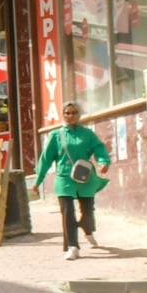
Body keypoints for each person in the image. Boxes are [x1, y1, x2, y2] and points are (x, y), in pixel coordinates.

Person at [32, 101, 111, 258]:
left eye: (74, 112)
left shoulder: (88, 134)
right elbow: (46, 159)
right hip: (64, 179)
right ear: (63, 115)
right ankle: (72, 247)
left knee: (88, 212)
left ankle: (87, 229)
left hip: (85, 177)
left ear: (79, 114)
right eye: (67, 113)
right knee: (68, 213)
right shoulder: (56, 135)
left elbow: (99, 148)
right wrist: (37, 180)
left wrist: (103, 162)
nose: (70, 116)